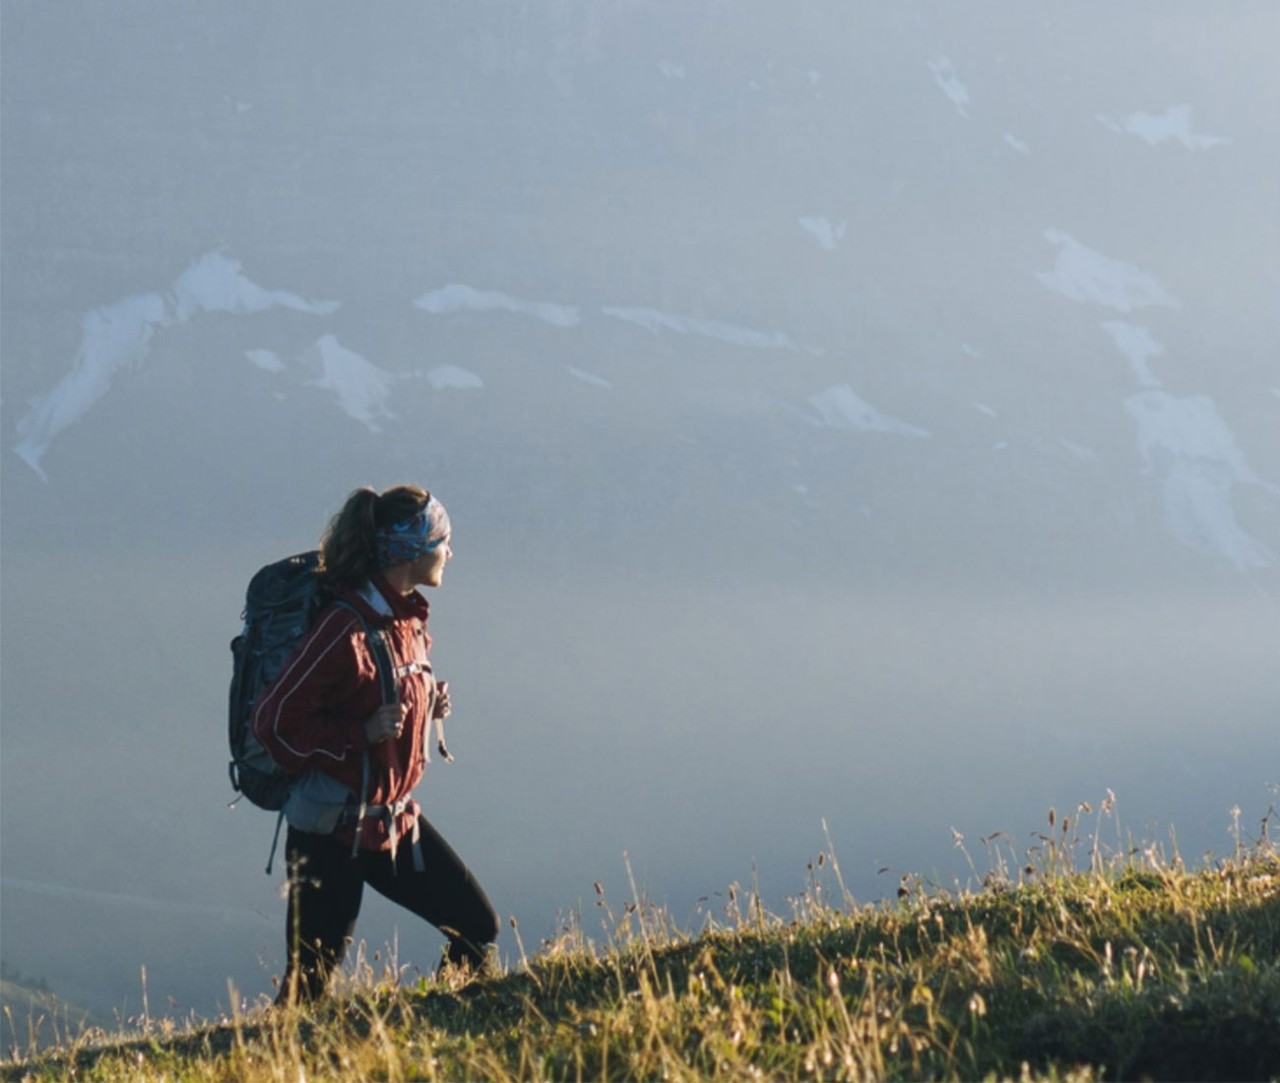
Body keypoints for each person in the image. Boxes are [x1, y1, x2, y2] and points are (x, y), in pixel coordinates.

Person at [253, 484, 498, 1004]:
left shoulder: (405, 616)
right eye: (442, 541)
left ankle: (438, 1036)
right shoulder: (344, 626)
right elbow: (272, 722)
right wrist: (358, 736)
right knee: (307, 991)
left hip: (390, 822)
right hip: (330, 835)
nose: (449, 553)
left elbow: (373, 694)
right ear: (409, 550)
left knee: (477, 928)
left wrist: (426, 701)